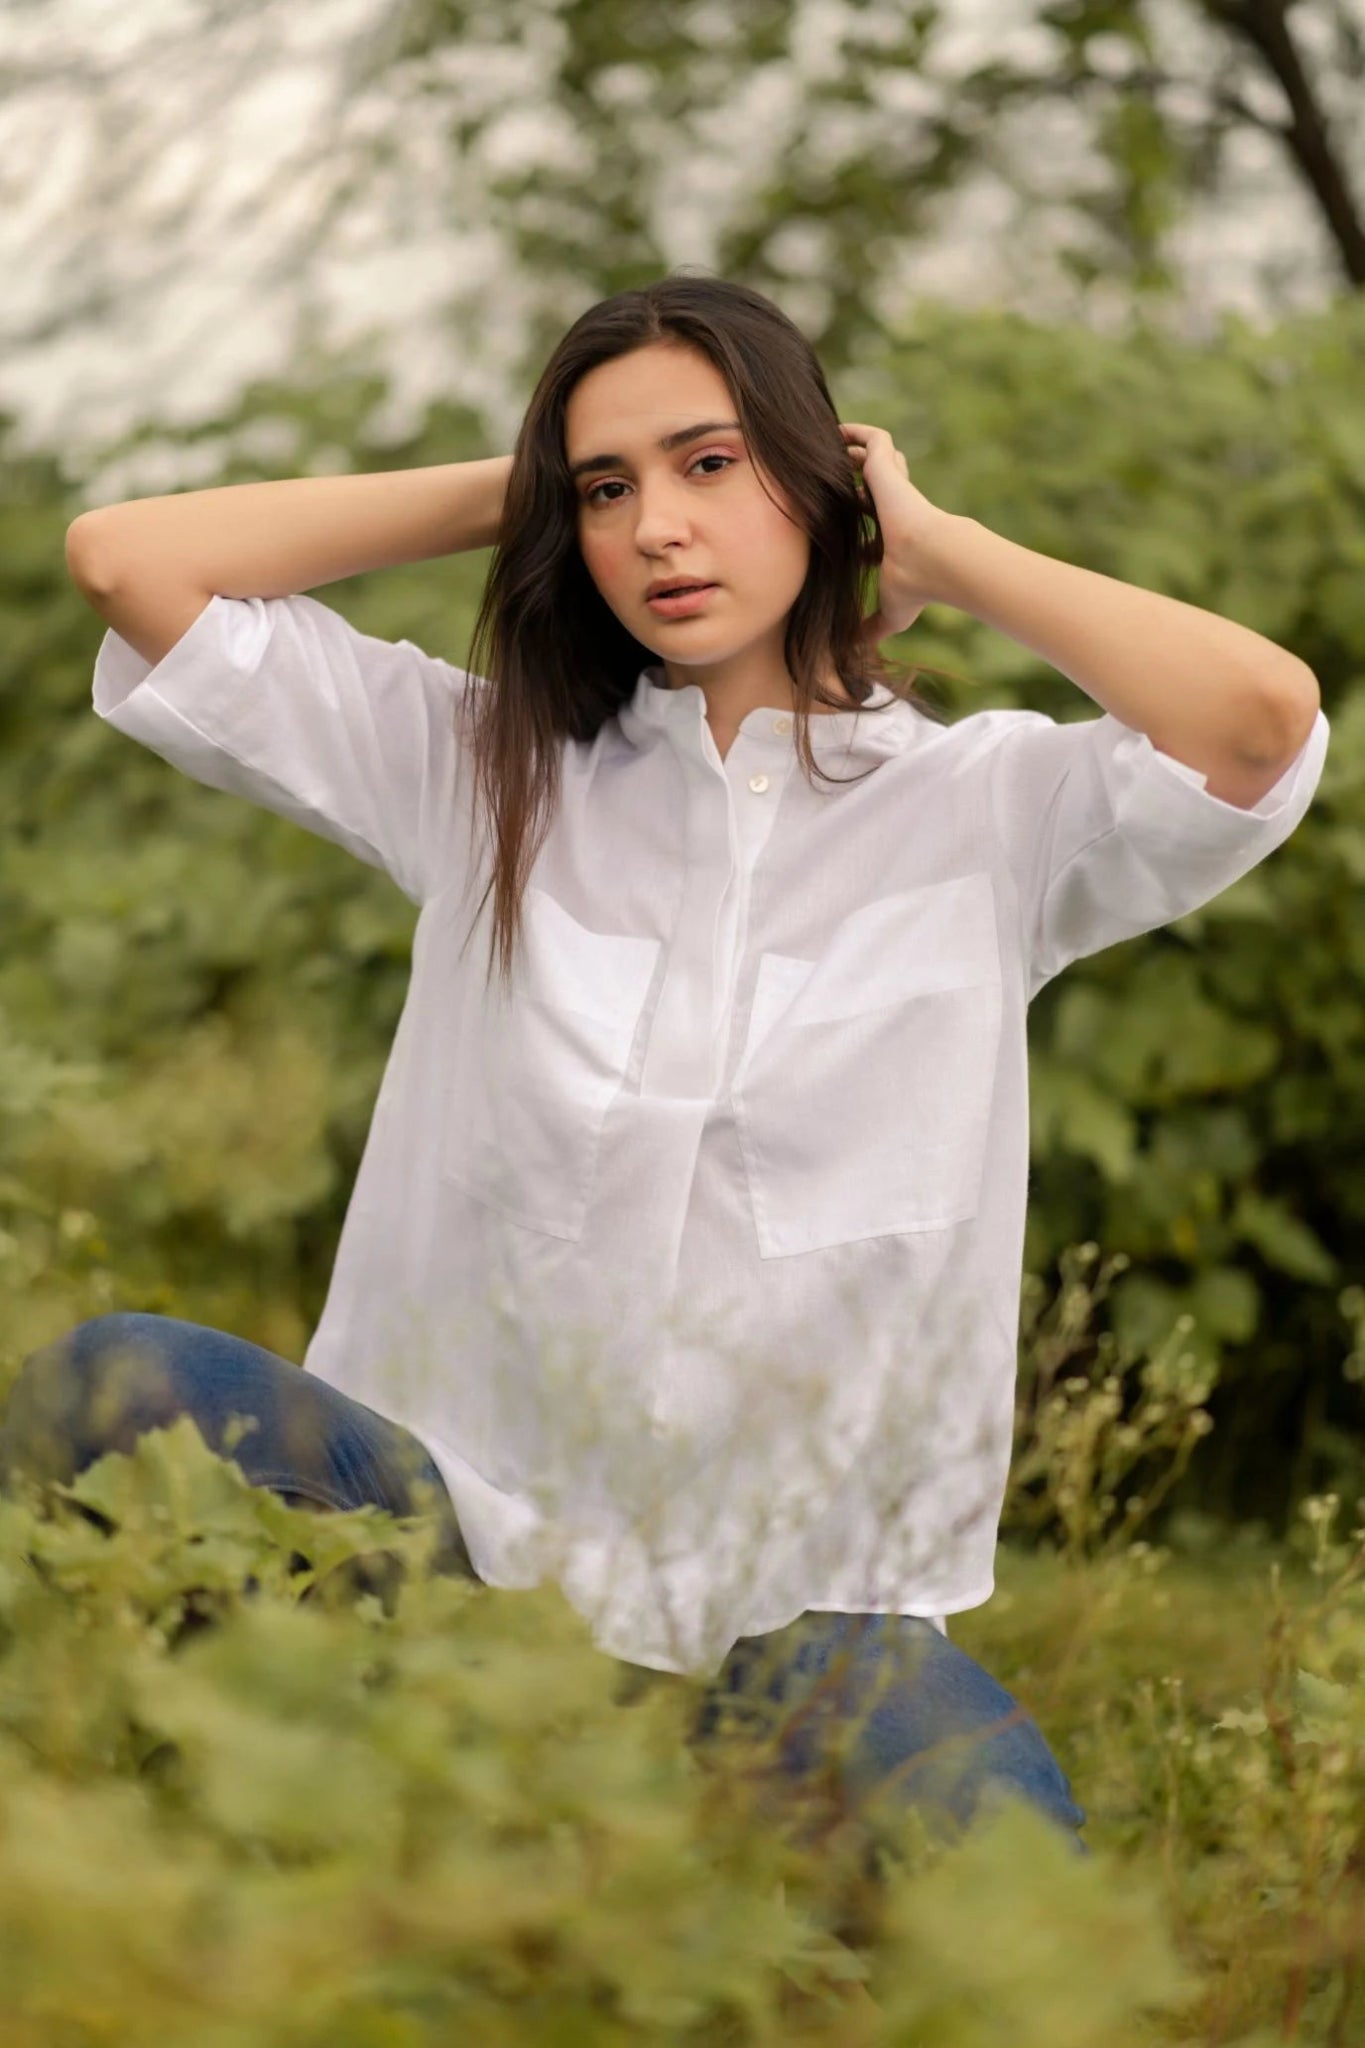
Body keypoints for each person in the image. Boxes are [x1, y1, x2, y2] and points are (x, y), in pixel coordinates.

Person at [6, 273, 1327, 1863]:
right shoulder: (479, 767)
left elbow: (1254, 720)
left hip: (794, 1636)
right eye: (609, 490)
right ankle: (358, 1808)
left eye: (711, 465)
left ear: (816, 475)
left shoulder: (990, 815)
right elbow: (127, 561)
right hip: (450, 1572)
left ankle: (631, 1839)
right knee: (114, 1379)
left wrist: (929, 549)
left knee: (1026, 1924)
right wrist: (526, 489)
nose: (657, 531)